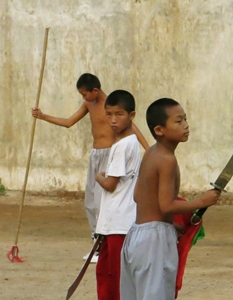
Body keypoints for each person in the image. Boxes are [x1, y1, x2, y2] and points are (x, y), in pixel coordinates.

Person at [90, 98, 220, 300]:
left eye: (185, 119)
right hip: (153, 240)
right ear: (160, 129)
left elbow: (140, 196)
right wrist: (202, 200)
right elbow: (166, 205)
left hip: (138, 234)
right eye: (178, 121)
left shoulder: (151, 154)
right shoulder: (167, 160)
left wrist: (172, 223)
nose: (185, 125)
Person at [32, 73, 149, 243]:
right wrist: (43, 116)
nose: (84, 97)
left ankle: (105, 240)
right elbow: (68, 122)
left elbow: (133, 128)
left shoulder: (111, 105)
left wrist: (149, 150)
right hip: (96, 155)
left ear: (95, 90)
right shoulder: (89, 104)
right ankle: (97, 239)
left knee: (104, 199)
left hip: (110, 154)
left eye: (84, 94)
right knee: (91, 201)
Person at [77, 91, 142, 300]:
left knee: (116, 274)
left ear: (131, 116)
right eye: (109, 115)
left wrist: (98, 177)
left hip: (120, 222)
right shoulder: (125, 144)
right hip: (110, 222)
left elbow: (111, 183)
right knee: (104, 272)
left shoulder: (124, 145)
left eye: (119, 114)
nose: (113, 120)